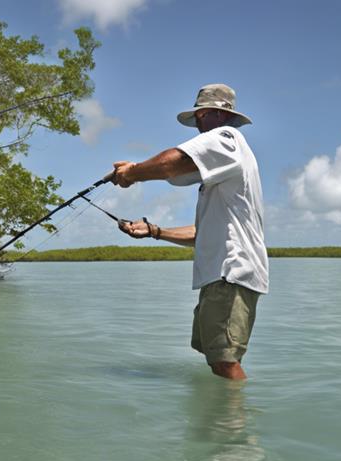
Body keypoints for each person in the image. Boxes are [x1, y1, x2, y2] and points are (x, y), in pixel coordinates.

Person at [112, 84, 268, 380]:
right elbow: (202, 234)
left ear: (213, 115)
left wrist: (131, 172)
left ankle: (237, 424)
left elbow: (174, 162)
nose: (196, 122)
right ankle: (225, 421)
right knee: (216, 359)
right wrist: (155, 231)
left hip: (231, 272)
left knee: (225, 361)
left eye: (199, 115)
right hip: (221, 275)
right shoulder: (223, 167)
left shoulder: (226, 138)